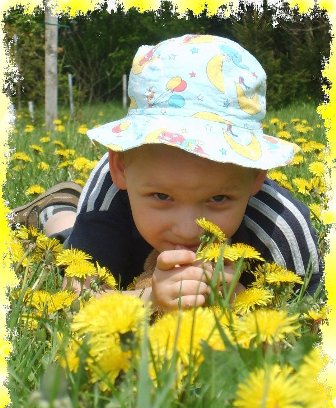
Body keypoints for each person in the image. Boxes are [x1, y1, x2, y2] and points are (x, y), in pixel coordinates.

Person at [13, 34, 323, 311]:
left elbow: (307, 320)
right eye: (161, 196)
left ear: (256, 176)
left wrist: (243, 302)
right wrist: (150, 299)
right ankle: (56, 207)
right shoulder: (109, 200)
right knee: (64, 239)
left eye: (218, 198)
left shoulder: (282, 227)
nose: (189, 229)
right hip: (113, 219)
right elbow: (77, 297)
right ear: (121, 168)